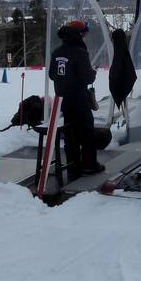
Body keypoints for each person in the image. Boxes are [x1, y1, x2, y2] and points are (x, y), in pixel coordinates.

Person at [48, 20, 104, 176]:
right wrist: (92, 72)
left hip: (63, 100)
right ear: (79, 34)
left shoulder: (57, 52)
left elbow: (52, 74)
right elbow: (87, 77)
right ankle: (89, 165)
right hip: (79, 99)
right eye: (84, 33)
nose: (85, 36)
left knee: (70, 133)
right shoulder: (80, 52)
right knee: (86, 132)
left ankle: (73, 165)